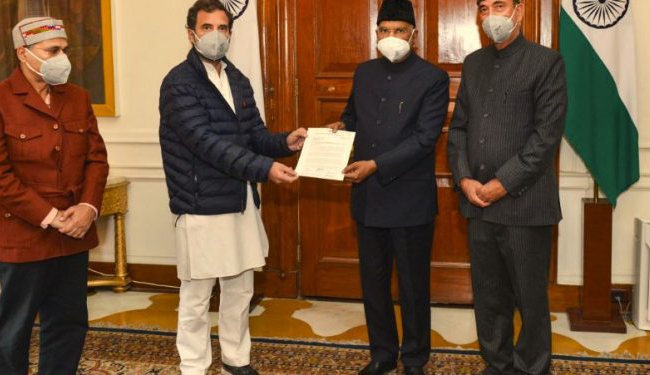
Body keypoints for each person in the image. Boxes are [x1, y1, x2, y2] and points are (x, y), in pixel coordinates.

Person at [158, 1, 307, 374]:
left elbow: (252, 135)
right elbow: (207, 144)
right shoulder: (179, 83)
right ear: (191, 33)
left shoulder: (237, 78)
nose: (216, 35)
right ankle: (193, 365)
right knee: (197, 296)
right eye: (207, 27)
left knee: (240, 289)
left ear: (231, 32)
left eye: (223, 27)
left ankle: (235, 359)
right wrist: (264, 169)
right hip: (201, 204)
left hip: (240, 200)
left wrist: (285, 143)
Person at [0, 16, 109, 375]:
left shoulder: (78, 98)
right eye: (53, 50)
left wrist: (89, 208)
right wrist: (50, 216)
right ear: (23, 53)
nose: (62, 57)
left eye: (64, 50)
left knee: (68, 323)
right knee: (13, 329)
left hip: (74, 236)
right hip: (24, 235)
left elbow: (97, 159)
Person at [327, 0, 449, 373]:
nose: (391, 37)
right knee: (374, 283)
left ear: (413, 34)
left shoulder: (433, 78)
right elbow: (353, 117)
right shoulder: (364, 73)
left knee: (413, 288)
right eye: (384, 30)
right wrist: (338, 128)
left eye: (399, 30)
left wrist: (377, 165)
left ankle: (414, 359)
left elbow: (425, 138)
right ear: (376, 33)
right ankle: (382, 354)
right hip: (367, 199)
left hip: (410, 199)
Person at [446, 0, 567, 373]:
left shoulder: (547, 62)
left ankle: (532, 367)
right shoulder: (473, 64)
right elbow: (459, 129)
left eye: (499, 5)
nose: (490, 15)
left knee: (530, 300)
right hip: (477, 201)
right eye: (483, 8)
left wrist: (502, 183)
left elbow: (545, 138)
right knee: (489, 295)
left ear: (519, 11)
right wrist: (464, 178)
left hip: (525, 204)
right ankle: (496, 364)